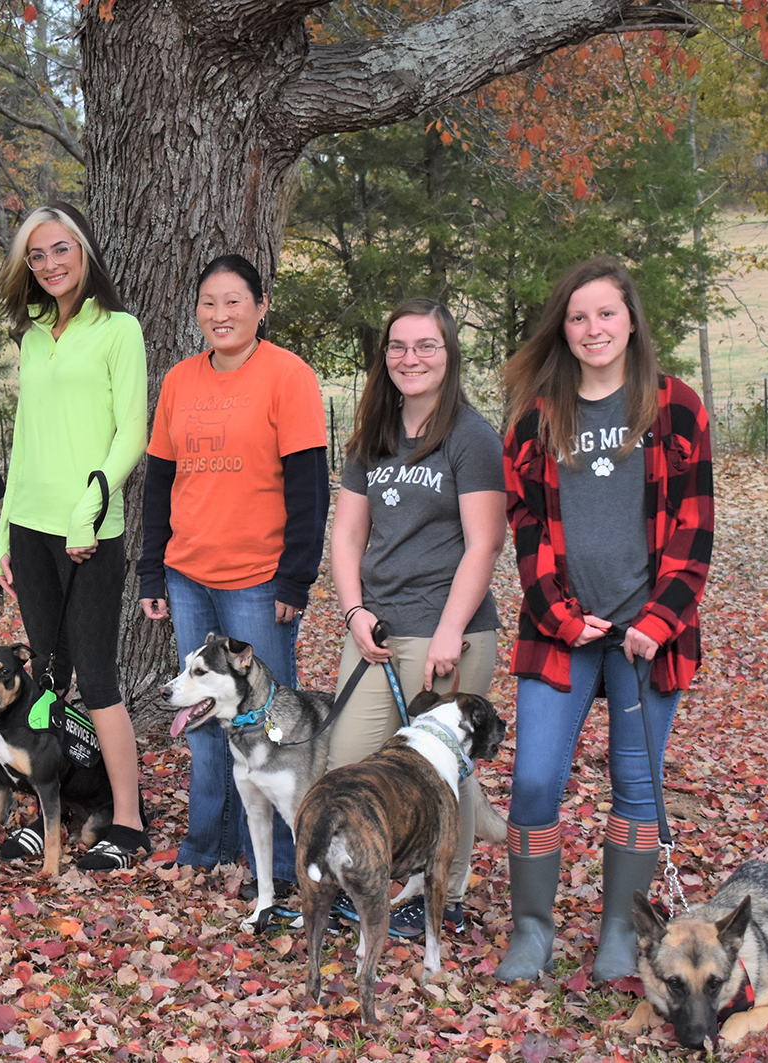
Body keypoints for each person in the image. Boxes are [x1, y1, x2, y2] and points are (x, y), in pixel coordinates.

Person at [493, 257, 713, 983]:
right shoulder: (536, 417)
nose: (593, 329)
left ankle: (619, 931)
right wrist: (555, 610)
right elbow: (524, 523)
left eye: (606, 314)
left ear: (631, 322)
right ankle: (532, 931)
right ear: (565, 326)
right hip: (561, 633)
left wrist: (662, 619)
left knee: (637, 785)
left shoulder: (676, 407)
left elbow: (694, 528)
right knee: (532, 782)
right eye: (579, 316)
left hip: (648, 637)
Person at [136, 254, 327, 897]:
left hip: (258, 579)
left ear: (261, 305)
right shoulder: (180, 381)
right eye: (209, 303)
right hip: (188, 572)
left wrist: (295, 581)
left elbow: (308, 489)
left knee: (269, 723)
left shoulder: (288, 376)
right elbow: (159, 482)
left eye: (234, 302)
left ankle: (270, 864)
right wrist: (151, 573)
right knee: (203, 713)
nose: (221, 315)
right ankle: (204, 845)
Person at [326, 296, 505, 938]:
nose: (411, 358)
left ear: (449, 354)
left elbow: (484, 542)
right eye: (398, 347)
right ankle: (375, 881)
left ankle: (443, 901)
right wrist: (352, 611)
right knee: (350, 759)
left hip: (447, 629)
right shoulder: (374, 430)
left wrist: (451, 631)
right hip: (375, 628)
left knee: (441, 776)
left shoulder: (471, 436)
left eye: (426, 345)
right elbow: (346, 533)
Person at [0, 201, 150, 871]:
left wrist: (90, 506)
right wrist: (4, 532)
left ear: (84, 252)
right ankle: (49, 812)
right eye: (37, 256)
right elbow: (24, 443)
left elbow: (132, 433)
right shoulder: (31, 336)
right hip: (29, 526)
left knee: (98, 676)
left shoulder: (119, 329)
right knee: (48, 681)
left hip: (91, 530)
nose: (51, 264)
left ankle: (128, 821)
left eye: (61, 250)